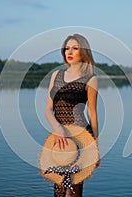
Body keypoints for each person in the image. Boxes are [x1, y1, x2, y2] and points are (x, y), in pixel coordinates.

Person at [44, 33, 98, 197]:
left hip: (79, 137)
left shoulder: (91, 78)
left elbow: (92, 114)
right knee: (59, 187)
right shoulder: (56, 75)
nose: (70, 52)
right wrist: (58, 128)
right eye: (67, 48)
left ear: (83, 52)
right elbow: (47, 109)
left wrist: (94, 148)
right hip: (58, 138)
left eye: (75, 48)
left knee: (72, 188)